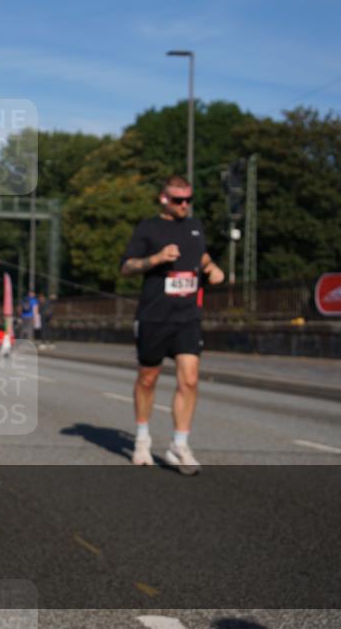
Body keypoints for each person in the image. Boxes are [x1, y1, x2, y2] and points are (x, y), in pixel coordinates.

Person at [119, 176, 225, 475]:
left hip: (188, 316)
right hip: (154, 316)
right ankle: (142, 440)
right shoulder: (148, 228)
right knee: (148, 378)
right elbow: (126, 267)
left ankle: (179, 445)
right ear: (163, 199)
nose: (184, 205)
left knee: (189, 379)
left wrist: (212, 268)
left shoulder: (195, 227)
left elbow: (201, 255)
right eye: (178, 200)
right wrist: (156, 258)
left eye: (189, 200)